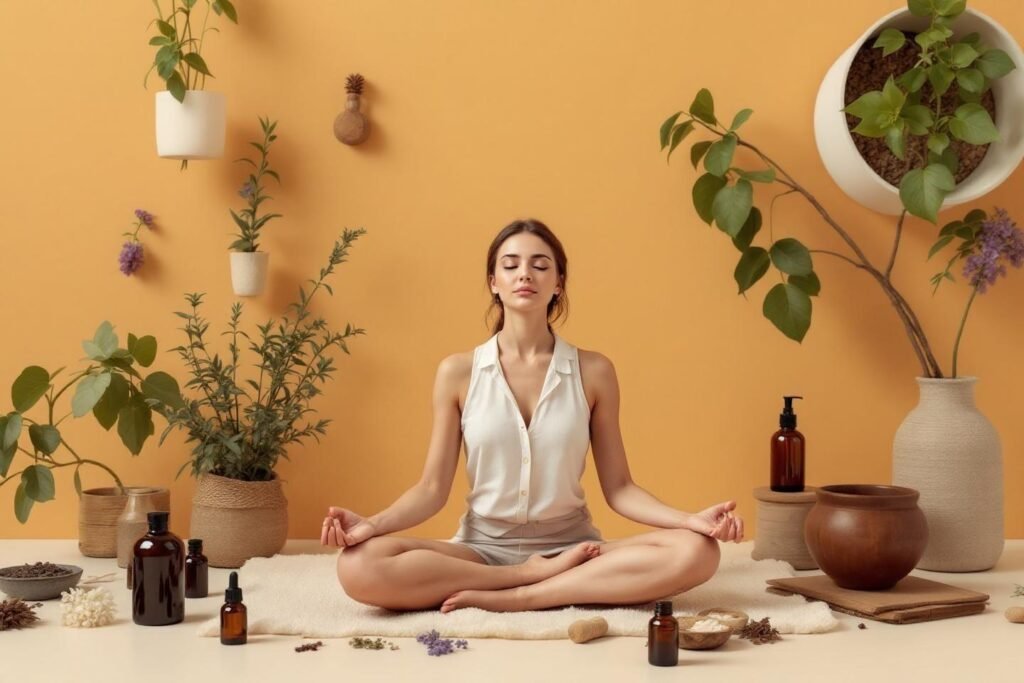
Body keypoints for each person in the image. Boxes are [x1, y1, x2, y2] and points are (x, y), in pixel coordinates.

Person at [323, 218, 743, 613]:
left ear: (558, 283)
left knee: (698, 551)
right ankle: (520, 577)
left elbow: (620, 488)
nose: (525, 274)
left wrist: (690, 520)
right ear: (494, 283)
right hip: (480, 551)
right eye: (511, 265)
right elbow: (432, 489)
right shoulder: (457, 372)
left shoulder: (594, 371)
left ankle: (526, 597)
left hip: (575, 550)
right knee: (358, 565)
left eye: (540, 265)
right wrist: (371, 526)